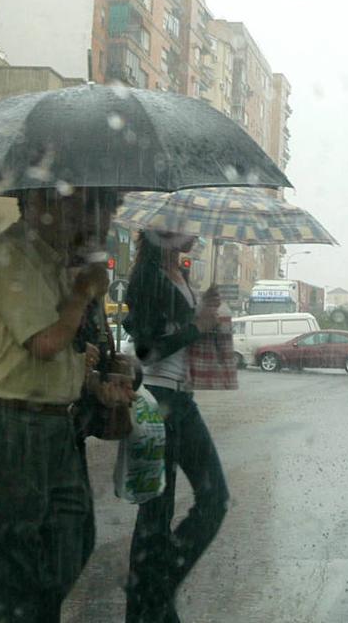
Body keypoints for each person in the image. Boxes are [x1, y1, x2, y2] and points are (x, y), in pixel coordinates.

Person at [0, 187, 133, 623]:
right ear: (40, 203)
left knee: (71, 541)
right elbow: (44, 343)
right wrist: (83, 293)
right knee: (7, 572)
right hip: (5, 428)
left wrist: (95, 384)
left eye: (104, 212)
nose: (95, 222)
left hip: (52, 428)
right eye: (85, 206)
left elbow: (58, 357)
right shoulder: (8, 254)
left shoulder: (55, 262)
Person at [123, 230, 228, 623]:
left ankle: (150, 598)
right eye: (186, 225)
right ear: (162, 230)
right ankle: (154, 596)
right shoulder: (147, 277)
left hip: (181, 399)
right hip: (159, 399)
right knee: (160, 513)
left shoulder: (178, 273)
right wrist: (197, 325)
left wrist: (204, 310)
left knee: (205, 500)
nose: (194, 234)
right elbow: (146, 350)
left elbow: (181, 333)